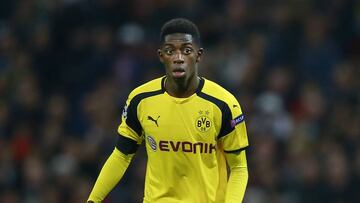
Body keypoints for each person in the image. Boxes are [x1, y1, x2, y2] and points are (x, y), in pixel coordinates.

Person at [87, 18, 249, 203]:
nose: (178, 58)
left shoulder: (224, 104)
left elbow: (239, 168)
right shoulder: (141, 99)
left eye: (186, 51)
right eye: (170, 51)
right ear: (161, 55)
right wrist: (93, 200)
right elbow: (121, 155)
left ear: (199, 55)